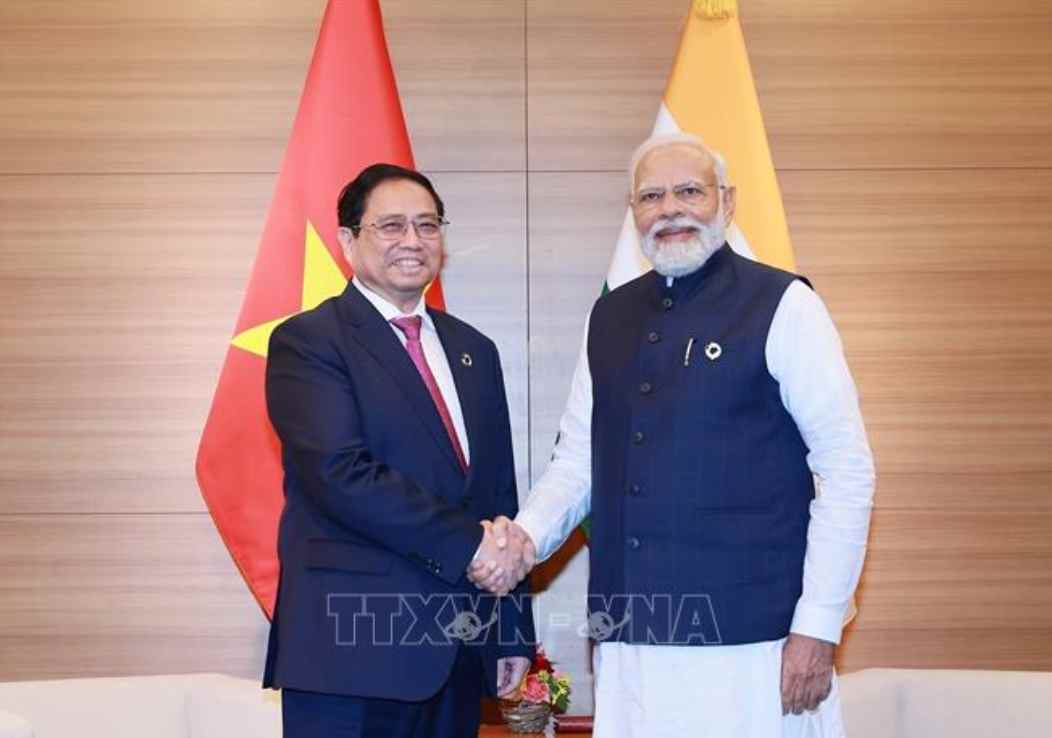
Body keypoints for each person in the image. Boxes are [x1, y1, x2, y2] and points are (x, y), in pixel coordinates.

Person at [470, 134, 875, 737]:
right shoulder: (608, 316)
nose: (669, 209)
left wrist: (817, 625)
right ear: (633, 211)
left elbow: (846, 469)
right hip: (630, 642)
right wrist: (525, 538)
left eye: (689, 191)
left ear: (727, 202)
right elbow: (580, 458)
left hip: (754, 644)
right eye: (651, 196)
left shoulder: (784, 303)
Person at [263, 163, 534, 738]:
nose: (412, 241)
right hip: (349, 653)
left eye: (427, 225)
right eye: (390, 226)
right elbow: (341, 474)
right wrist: (470, 544)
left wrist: (511, 632)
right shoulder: (309, 341)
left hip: (457, 654)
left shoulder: (473, 350)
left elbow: (498, 497)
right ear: (347, 241)